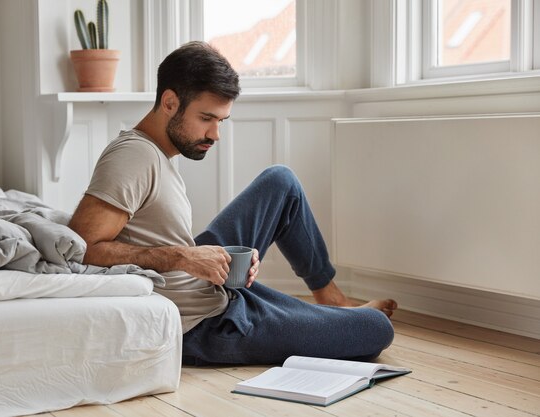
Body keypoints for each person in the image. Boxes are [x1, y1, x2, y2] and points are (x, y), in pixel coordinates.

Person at [68, 41, 397, 366]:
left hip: (198, 284)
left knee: (280, 182)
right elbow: (82, 247)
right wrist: (183, 256)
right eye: (206, 118)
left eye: (221, 121)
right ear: (169, 102)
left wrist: (206, 258)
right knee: (375, 329)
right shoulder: (133, 156)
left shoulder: (155, 152)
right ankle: (328, 316)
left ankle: (332, 300)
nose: (215, 135)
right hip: (203, 324)